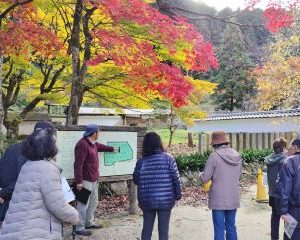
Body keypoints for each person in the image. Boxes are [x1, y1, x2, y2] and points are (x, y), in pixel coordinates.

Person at [0, 126, 79, 239]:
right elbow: (57, 204)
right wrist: (74, 216)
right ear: (49, 147)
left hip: (15, 229)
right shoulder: (47, 168)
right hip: (31, 231)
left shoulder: (28, 165)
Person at [0, 121, 55, 222]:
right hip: (20, 203)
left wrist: (2, 193)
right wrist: (3, 194)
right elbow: (24, 179)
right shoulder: (32, 152)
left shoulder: (13, 148)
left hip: (7, 201)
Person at [133, 132, 181, 240]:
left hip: (147, 200)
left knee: (147, 228)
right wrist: (178, 195)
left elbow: (136, 179)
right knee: (163, 231)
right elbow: (176, 178)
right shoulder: (169, 158)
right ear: (159, 143)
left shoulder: (141, 161)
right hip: (166, 200)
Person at [74, 124, 117, 236]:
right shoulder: (82, 144)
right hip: (85, 180)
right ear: (94, 133)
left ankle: (89, 222)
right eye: (98, 132)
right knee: (83, 204)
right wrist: (79, 181)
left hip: (94, 179)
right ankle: (79, 227)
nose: (99, 134)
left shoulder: (93, 144)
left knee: (93, 202)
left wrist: (113, 149)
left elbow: (101, 147)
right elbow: (78, 164)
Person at [199, 131, 242, 240]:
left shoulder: (214, 156)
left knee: (219, 228)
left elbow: (205, 178)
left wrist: (200, 175)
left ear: (214, 144)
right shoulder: (237, 155)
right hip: (233, 196)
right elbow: (239, 175)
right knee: (231, 227)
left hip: (218, 199)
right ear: (226, 142)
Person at [275, 139, 300, 240]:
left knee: (291, 236)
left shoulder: (290, 161)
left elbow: (283, 189)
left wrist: (283, 211)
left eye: (289, 147)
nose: (287, 150)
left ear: (295, 147)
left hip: (293, 212)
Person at [265, 138, 287, 240]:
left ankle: (274, 238)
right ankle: (287, 237)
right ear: (283, 148)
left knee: (275, 217)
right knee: (288, 217)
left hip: (273, 194)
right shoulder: (286, 160)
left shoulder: (269, 160)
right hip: (284, 194)